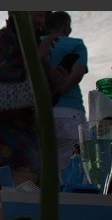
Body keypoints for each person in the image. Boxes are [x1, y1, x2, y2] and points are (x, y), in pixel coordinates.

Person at [0, 11, 60, 187]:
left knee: (29, 193)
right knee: (20, 193)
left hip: (34, 134)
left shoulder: (40, 42)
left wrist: (58, 83)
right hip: (9, 136)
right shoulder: (6, 36)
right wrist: (36, 56)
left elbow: (46, 94)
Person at [43, 11, 89, 175]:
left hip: (40, 115)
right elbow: (77, 74)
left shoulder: (36, 44)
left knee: (45, 172)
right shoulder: (75, 44)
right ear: (65, 27)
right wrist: (58, 91)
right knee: (74, 171)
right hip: (70, 112)